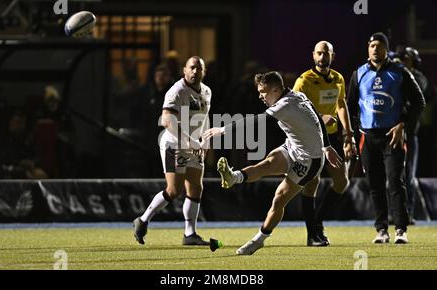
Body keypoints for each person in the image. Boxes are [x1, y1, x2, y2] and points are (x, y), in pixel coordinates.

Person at [202, 71, 342, 255]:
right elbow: (318, 118)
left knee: (279, 199)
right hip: (292, 146)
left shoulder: (284, 105)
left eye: (263, 92)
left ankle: (258, 240)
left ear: (276, 90)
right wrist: (328, 146)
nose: (260, 96)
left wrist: (223, 129)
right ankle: (234, 177)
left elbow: (257, 121)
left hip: (309, 159)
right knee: (267, 164)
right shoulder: (296, 94)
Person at [347, 33, 425, 244]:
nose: (375, 49)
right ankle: (381, 230)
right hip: (368, 137)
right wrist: (350, 137)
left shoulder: (400, 72)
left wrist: (403, 125)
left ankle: (401, 229)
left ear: (386, 49)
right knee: (375, 185)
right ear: (368, 48)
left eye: (379, 46)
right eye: (372, 45)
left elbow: (419, 101)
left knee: (396, 183)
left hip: (393, 136)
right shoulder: (359, 74)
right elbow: (349, 107)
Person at [133, 56, 212, 246]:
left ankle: (190, 234)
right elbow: (167, 120)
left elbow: (204, 118)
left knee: (195, 187)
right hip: (174, 143)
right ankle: (142, 220)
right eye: (192, 68)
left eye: (199, 69)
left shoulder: (207, 91)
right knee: (174, 190)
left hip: (193, 144)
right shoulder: (177, 91)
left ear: (204, 72)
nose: (195, 72)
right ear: (184, 70)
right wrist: (190, 141)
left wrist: (205, 143)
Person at [293, 41, 357, 246]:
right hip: (310, 139)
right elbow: (293, 110)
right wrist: (320, 117)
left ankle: (318, 222)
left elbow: (341, 104)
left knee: (342, 182)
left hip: (330, 139)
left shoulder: (338, 78)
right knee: (312, 183)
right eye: (319, 54)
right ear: (313, 55)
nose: (322, 57)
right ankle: (312, 235)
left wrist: (348, 135)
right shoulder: (303, 81)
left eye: (326, 54)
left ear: (332, 56)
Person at [395, 46, 434, 223]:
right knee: (392, 176)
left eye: (406, 59)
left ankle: (407, 213)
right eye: (400, 59)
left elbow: (417, 94)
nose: (402, 62)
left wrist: (402, 71)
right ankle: (391, 213)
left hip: (409, 134)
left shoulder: (418, 78)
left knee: (408, 175)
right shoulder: (393, 75)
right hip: (390, 133)